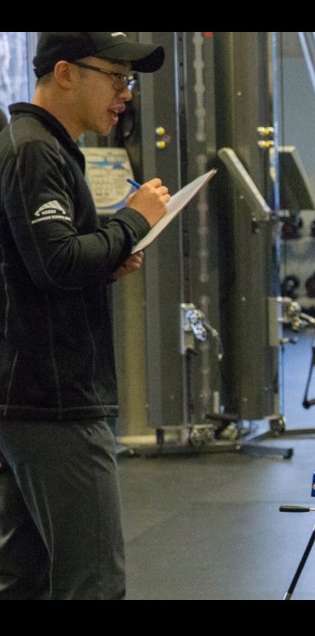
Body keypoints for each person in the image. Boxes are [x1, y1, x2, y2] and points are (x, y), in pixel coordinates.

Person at [0, 32, 168, 599]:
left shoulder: (39, 146)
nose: (125, 94)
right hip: (54, 401)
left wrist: (107, 258)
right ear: (66, 72)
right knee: (91, 582)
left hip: (31, 394)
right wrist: (132, 220)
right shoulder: (33, 151)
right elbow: (58, 260)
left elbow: (40, 263)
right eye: (116, 77)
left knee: (28, 579)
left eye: (130, 81)